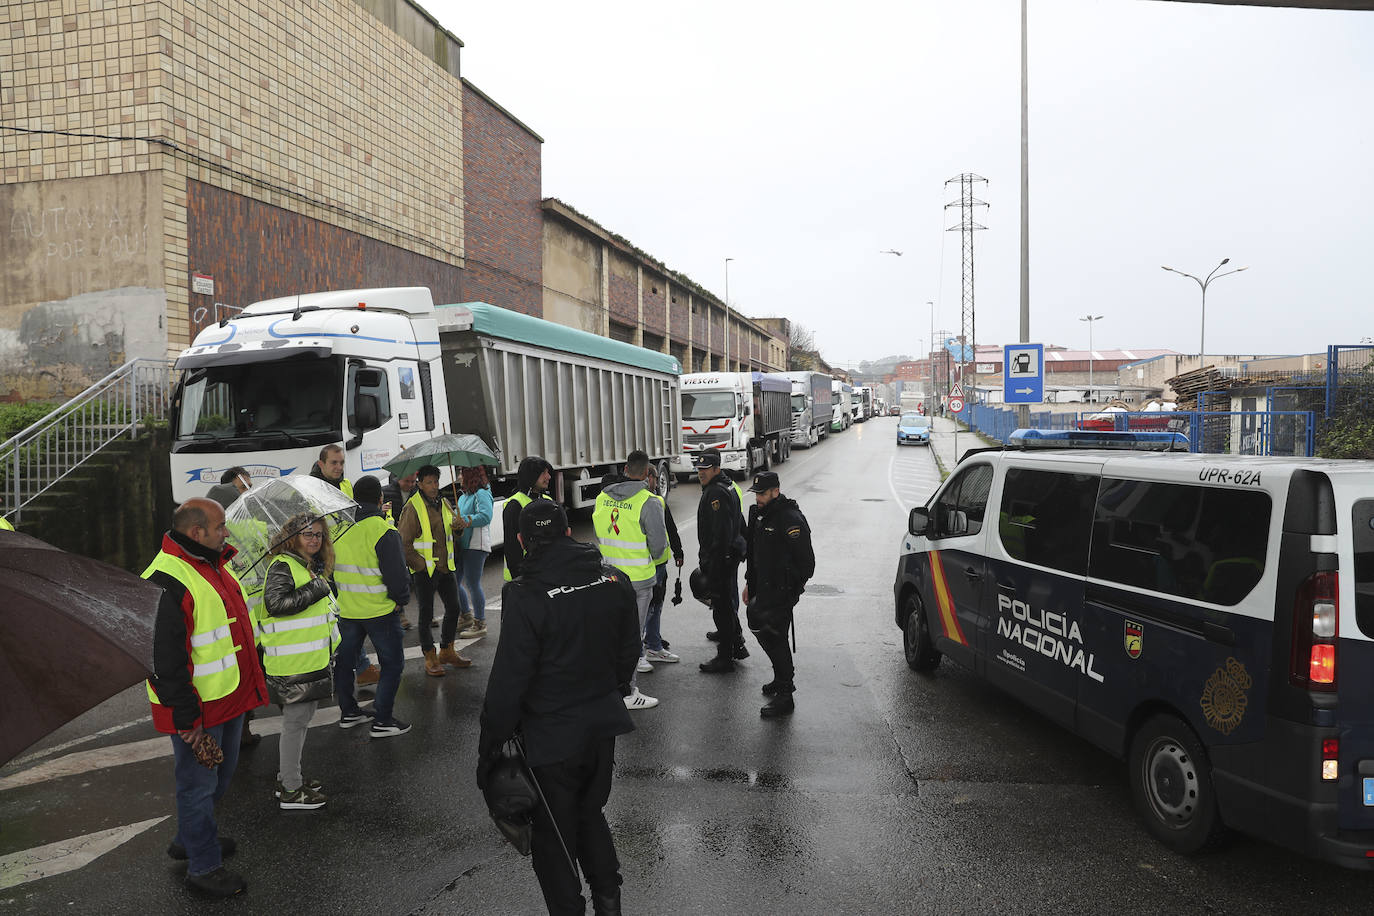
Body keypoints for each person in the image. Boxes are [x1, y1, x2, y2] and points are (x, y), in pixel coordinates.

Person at [476, 499, 641, 916]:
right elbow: (629, 651)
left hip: (551, 738)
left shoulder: (525, 593)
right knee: (591, 814)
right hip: (602, 727)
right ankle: (609, 904)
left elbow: (509, 681)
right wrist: (609, 689)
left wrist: (490, 748)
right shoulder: (611, 578)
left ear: (521, 541)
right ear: (569, 532)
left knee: (552, 840)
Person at [144, 498, 268, 897]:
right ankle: (203, 866)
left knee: (219, 777)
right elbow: (164, 660)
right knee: (198, 786)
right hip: (198, 709)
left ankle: (189, 838)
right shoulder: (168, 578)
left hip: (226, 698)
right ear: (196, 533)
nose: (226, 533)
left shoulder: (211, 564)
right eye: (220, 527)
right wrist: (186, 719)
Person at [259, 513, 336, 809]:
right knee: (294, 723)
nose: (314, 539)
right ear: (293, 537)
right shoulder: (283, 565)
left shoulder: (303, 564)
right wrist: (316, 589)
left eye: (318, 534)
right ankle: (291, 789)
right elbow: (276, 604)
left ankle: (288, 777)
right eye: (308, 534)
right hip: (292, 664)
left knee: (300, 722)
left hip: (306, 660)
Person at [333, 475, 413, 738]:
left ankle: (349, 712)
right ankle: (383, 720)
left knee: (344, 665)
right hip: (380, 612)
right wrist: (401, 601)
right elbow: (397, 576)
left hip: (347, 611)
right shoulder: (383, 530)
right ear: (381, 499)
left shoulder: (340, 530)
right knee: (391, 665)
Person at [593, 451, 667, 711]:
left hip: (608, 578)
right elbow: (658, 548)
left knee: (610, 636)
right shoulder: (649, 501)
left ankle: (608, 687)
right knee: (632, 638)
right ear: (648, 473)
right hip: (638, 581)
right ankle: (628, 691)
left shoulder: (602, 497)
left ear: (625, 468)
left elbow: (600, 533)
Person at [743, 471, 815, 718]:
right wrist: (749, 585)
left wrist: (791, 591)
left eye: (762, 494)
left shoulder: (790, 518)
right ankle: (779, 678)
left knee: (777, 638)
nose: (758, 499)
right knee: (766, 636)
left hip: (781, 593)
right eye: (756, 494)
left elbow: (807, 564)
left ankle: (786, 694)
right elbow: (753, 557)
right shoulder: (758, 515)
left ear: (776, 491)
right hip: (762, 590)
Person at [399, 464, 473, 675]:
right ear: (420, 484)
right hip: (425, 571)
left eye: (436, 482)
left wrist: (458, 529)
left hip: (445, 568)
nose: (434, 486)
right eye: (429, 482)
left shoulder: (444, 502)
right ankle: (430, 657)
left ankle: (447, 650)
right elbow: (403, 543)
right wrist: (421, 565)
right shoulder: (412, 507)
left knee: (453, 608)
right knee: (426, 615)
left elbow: (451, 534)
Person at [693, 451, 748, 673]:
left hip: (721, 558)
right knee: (724, 606)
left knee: (721, 608)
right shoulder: (727, 486)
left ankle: (725, 657)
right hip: (728, 556)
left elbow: (721, 533)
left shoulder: (716, 492)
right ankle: (737, 645)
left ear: (716, 469)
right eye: (699, 469)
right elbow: (739, 519)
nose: (701, 473)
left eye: (705, 469)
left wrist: (715, 563)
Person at [642, 464, 683, 664]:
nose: (657, 482)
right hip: (653, 566)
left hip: (652, 565)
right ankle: (652, 647)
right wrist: (677, 551)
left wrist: (678, 551)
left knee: (650, 607)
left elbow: (671, 528)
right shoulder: (652, 502)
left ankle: (651, 641)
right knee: (652, 607)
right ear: (646, 477)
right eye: (655, 478)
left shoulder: (654, 500)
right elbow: (668, 530)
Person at [457, 465, 496, 639]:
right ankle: (466, 615)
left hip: (476, 545)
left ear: (468, 475)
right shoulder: (463, 496)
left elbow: (486, 516)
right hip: (462, 545)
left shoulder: (482, 493)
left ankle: (480, 622)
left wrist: (463, 520)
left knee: (473, 584)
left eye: (461, 473)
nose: (458, 476)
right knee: (454, 582)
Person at [502, 455, 555, 582]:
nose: (548, 477)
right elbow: (512, 548)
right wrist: (520, 580)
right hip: (525, 578)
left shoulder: (549, 501)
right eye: (543, 473)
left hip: (547, 574)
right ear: (531, 476)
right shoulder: (515, 505)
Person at [382, 471, 419, 630]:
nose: (410, 484)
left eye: (413, 481)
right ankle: (401, 614)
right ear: (398, 479)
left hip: (412, 540)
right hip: (394, 540)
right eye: (407, 481)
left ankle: (426, 614)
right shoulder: (387, 492)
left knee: (417, 578)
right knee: (399, 577)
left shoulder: (416, 492)